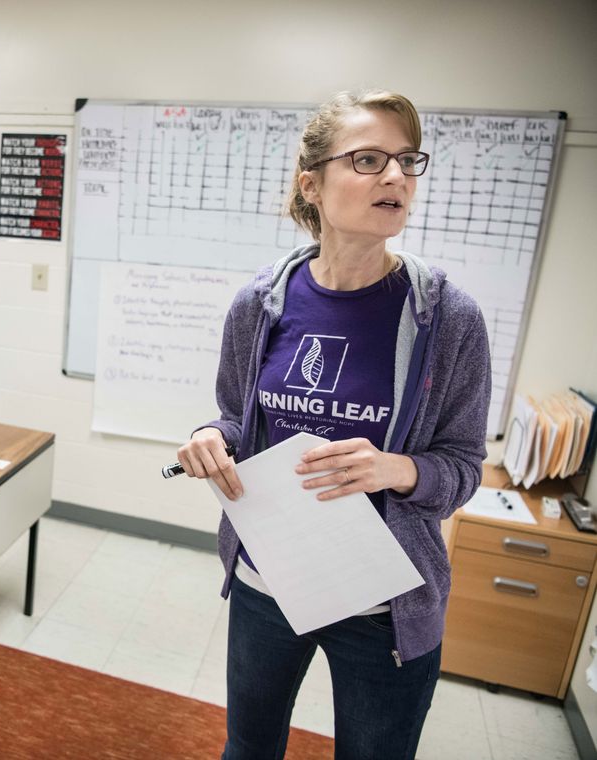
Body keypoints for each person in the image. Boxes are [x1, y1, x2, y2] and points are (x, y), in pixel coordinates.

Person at [176, 91, 490, 759]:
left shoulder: (449, 320)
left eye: (408, 160)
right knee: (247, 750)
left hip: (386, 605)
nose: (397, 177)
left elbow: (464, 470)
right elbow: (236, 420)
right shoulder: (259, 305)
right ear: (311, 184)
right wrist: (211, 439)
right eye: (370, 159)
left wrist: (397, 468)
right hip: (271, 578)